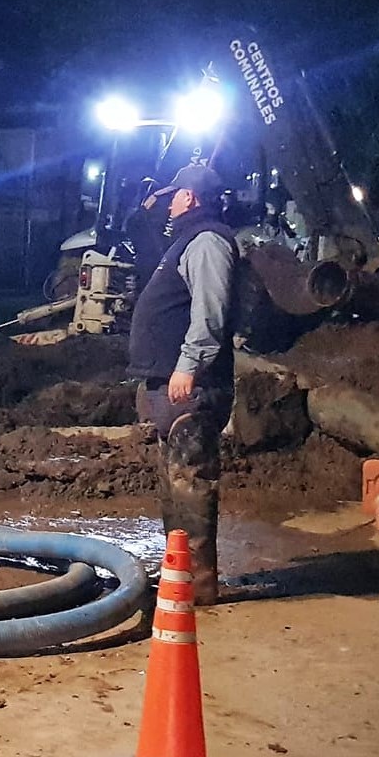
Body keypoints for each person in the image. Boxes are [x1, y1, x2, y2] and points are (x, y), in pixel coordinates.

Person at [126, 163, 238, 605]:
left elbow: (210, 313)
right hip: (172, 383)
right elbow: (144, 227)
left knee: (191, 478)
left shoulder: (207, 242)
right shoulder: (186, 240)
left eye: (175, 195)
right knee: (175, 480)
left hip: (192, 385)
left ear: (189, 198)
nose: (169, 202)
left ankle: (199, 582)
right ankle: (180, 571)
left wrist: (189, 365)